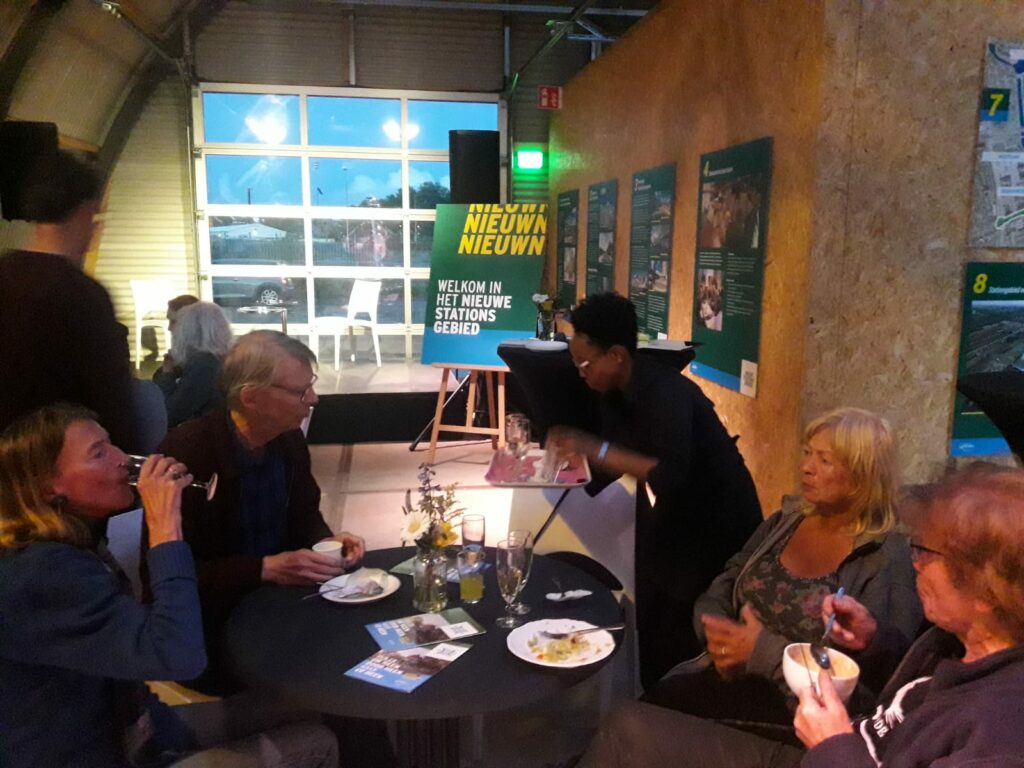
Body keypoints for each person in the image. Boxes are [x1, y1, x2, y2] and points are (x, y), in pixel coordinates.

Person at [576, 463, 1024, 768]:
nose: (916, 562)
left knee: (635, 727)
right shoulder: (952, 641)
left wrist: (833, 744)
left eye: (927, 552)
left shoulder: (1001, 728)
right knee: (628, 724)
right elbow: (902, 696)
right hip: (831, 747)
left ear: (987, 591)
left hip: (829, 749)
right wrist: (874, 642)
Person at [0, 404, 338, 768]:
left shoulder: (75, 542)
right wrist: (164, 525)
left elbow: (128, 670)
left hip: (141, 733)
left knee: (313, 705)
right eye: (98, 453)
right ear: (48, 485)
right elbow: (180, 656)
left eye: (111, 444)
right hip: (95, 754)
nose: (122, 458)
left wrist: (174, 737)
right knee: (318, 742)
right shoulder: (41, 573)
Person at [642, 408, 921, 729]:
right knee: (640, 709)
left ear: (862, 475)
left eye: (824, 460)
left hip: (798, 714)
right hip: (724, 677)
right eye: (807, 453)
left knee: (637, 727)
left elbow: (879, 685)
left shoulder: (887, 556)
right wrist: (715, 631)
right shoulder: (786, 521)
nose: (806, 467)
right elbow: (729, 578)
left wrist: (758, 652)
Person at [547, 292, 763, 686]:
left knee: (673, 615)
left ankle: (677, 694)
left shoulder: (667, 393)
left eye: (585, 363)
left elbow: (670, 475)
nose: (580, 372)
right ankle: (648, 686)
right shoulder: (613, 393)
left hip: (719, 521)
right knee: (644, 593)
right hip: (680, 511)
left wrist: (596, 450)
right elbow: (616, 465)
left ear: (616, 355)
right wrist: (563, 468)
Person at [152, 330, 366, 694]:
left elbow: (305, 516)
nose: (313, 399)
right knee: (339, 670)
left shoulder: (288, 440)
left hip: (282, 607)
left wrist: (328, 542)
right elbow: (169, 576)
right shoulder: (189, 452)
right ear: (251, 397)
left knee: (363, 641)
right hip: (217, 630)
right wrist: (264, 569)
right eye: (300, 391)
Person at [0, 149, 133, 448]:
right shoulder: (84, 296)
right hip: (58, 460)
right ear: (85, 210)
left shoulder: (5, 275)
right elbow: (111, 403)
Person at [154, 301, 234, 427]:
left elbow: (169, 414)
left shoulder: (204, 364)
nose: (171, 329)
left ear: (189, 331)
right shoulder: (224, 357)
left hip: (204, 433)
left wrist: (167, 372)